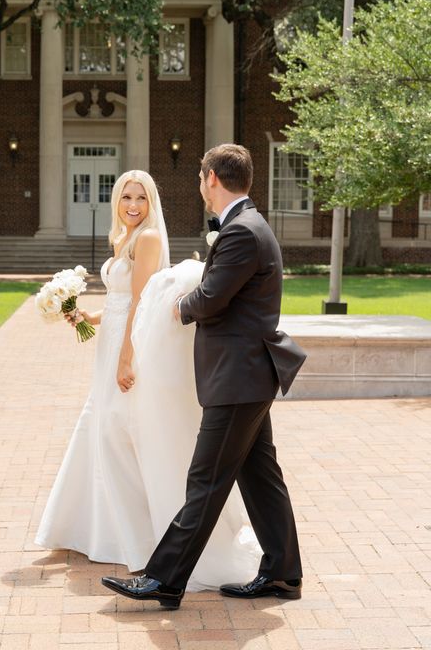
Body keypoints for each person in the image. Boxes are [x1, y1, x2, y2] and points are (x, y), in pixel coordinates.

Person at [102, 144, 307, 610]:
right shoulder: (245, 226)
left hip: (239, 378)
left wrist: (177, 303)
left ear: (212, 178)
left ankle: (164, 579)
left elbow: (211, 297)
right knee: (259, 477)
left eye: (200, 176)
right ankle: (282, 573)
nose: (200, 184)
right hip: (247, 375)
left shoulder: (241, 232)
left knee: (206, 480)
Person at [35, 170, 261, 591]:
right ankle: (111, 532)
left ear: (151, 201)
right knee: (105, 433)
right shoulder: (123, 239)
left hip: (129, 346)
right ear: (115, 202)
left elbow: (142, 303)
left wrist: (126, 359)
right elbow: (120, 300)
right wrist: (89, 316)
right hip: (112, 339)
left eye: (140, 197)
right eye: (125, 197)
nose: (133, 205)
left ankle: (145, 539)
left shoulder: (149, 238)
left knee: (124, 436)